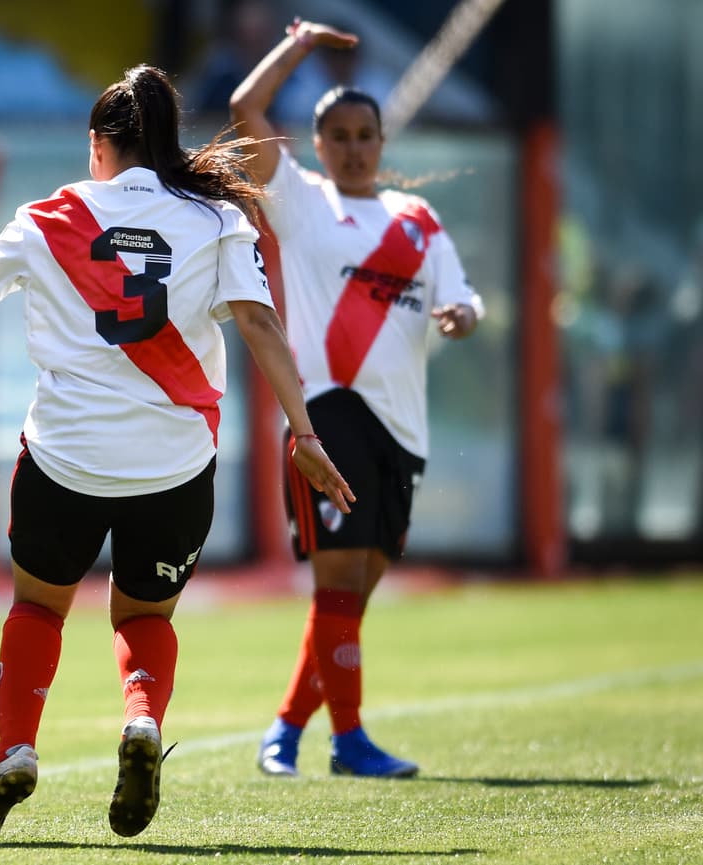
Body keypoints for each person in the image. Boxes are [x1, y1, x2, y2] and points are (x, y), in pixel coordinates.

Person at [0, 64, 355, 845]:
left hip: (65, 458)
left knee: (37, 607)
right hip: (174, 465)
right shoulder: (216, 217)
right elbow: (260, 324)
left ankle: (16, 747)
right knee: (143, 613)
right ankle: (141, 721)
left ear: (98, 143)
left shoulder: (50, 214)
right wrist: (305, 433)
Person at [230, 18, 484, 779]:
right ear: (316, 144)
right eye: (337, 136)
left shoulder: (418, 221)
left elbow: (464, 298)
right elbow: (246, 106)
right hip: (328, 415)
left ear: (381, 141)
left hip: (402, 432)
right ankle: (350, 742)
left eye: (364, 135)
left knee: (353, 595)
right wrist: (298, 44)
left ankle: (285, 730)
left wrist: (462, 314)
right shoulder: (301, 199)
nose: (352, 147)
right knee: (337, 583)